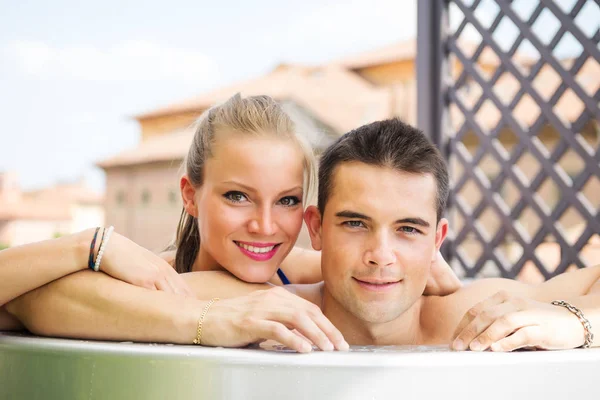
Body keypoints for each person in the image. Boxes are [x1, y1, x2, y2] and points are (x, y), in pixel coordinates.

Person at [5, 117, 599, 352]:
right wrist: (206, 323)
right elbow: (35, 300)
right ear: (317, 230)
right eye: (355, 223)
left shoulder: (476, 314)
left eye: (409, 230)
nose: (381, 256)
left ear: (438, 238)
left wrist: (576, 321)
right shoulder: (269, 306)